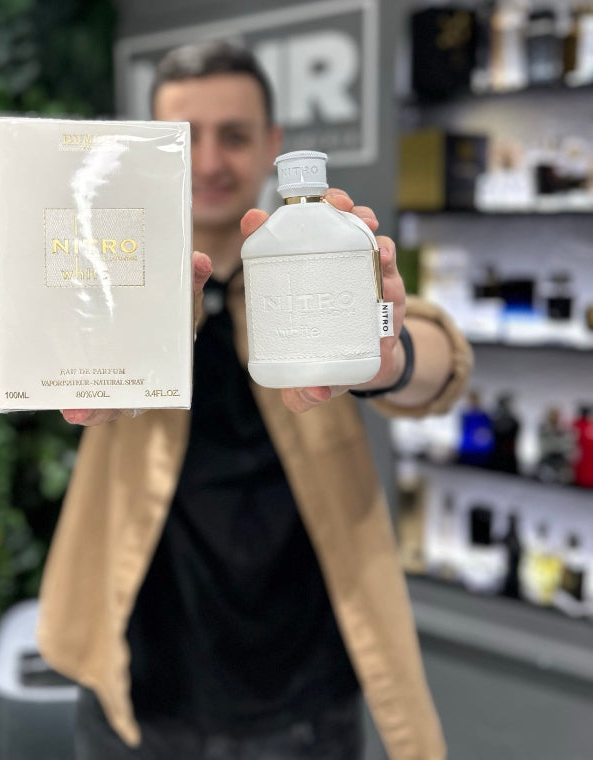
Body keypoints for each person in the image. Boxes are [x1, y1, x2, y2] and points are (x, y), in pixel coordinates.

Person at [37, 41, 473, 760]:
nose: (209, 162)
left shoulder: (318, 265)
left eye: (234, 136)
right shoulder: (115, 275)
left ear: (274, 145)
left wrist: (390, 356)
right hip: (139, 681)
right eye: (186, 139)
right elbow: (59, 345)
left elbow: (439, 356)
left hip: (307, 687)